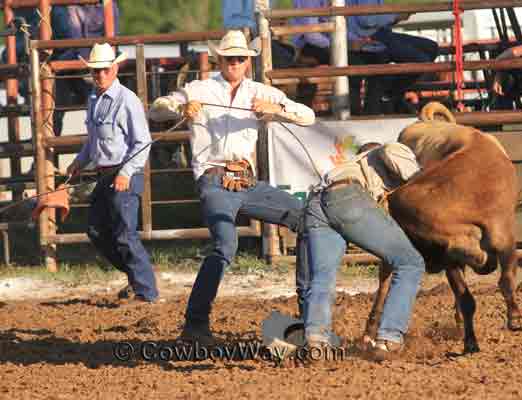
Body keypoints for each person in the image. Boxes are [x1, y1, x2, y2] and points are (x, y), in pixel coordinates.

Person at [148, 30, 316, 345]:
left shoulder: (261, 92)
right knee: (225, 245)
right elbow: (156, 109)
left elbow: (308, 116)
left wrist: (277, 111)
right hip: (213, 178)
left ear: (247, 62)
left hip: (246, 180)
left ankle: (309, 319)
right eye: (230, 59)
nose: (235, 63)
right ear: (219, 60)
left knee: (307, 219)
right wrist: (179, 108)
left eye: (240, 59)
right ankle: (195, 324)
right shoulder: (199, 89)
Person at [302, 141, 425, 361]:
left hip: (316, 203)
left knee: (322, 277)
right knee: (410, 263)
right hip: (348, 196)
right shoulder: (395, 151)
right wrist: (421, 177)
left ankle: (316, 341)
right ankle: (389, 338)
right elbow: (390, 151)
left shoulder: (353, 164)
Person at [66, 43, 159, 303]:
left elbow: (143, 142)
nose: (100, 75)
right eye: (96, 71)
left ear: (115, 68)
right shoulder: (94, 99)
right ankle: (138, 277)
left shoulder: (127, 100)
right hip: (105, 174)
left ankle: (146, 291)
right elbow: (93, 140)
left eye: (105, 70)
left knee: (124, 234)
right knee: (96, 230)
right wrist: (79, 161)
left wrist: (126, 172)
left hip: (123, 173)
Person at [345, 0, 439, 114]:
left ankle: (390, 93)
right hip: (370, 35)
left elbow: (370, 18)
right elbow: (367, 19)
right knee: (422, 59)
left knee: (430, 49)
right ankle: (390, 92)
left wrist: (395, 17)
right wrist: (395, 15)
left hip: (375, 33)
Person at [50, 2, 121, 136]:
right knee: (55, 102)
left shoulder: (66, 8)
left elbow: (73, 37)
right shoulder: (67, 8)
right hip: (83, 62)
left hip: (89, 62)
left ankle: (50, 147)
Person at [222, 0, 297, 68]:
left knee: (288, 51)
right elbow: (234, 23)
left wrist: (270, 22)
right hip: (245, 42)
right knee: (284, 56)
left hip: (260, 39)